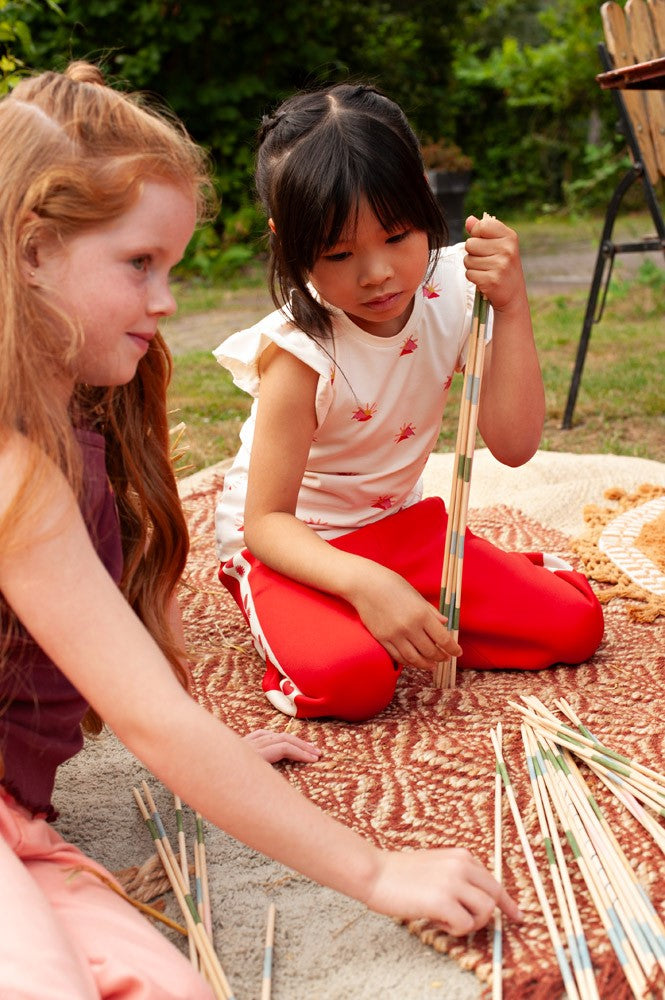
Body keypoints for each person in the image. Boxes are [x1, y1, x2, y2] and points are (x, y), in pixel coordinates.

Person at [0, 64, 523, 999]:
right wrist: (375, 869)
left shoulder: (71, 431)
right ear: (32, 250)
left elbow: (125, 688)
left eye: (172, 267)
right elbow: (151, 719)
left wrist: (207, 752)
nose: (166, 302)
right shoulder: (16, 465)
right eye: (139, 265)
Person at [214, 83, 604, 722]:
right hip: (290, 550)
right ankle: (310, 619)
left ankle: (401, 609)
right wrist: (367, 585)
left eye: (397, 236)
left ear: (424, 201)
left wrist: (512, 305)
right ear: (289, 242)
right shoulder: (299, 352)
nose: (378, 274)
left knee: (574, 625)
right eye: (339, 253)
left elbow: (513, 444)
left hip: (398, 528)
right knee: (354, 682)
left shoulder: (454, 287)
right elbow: (266, 524)